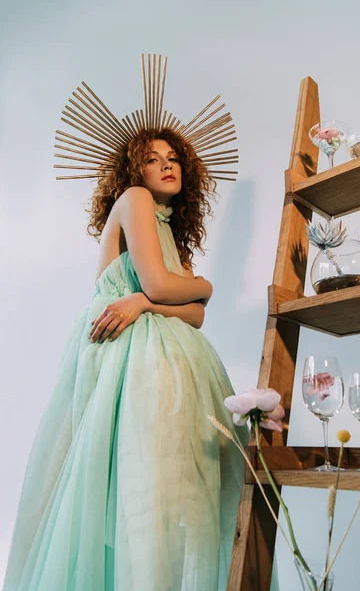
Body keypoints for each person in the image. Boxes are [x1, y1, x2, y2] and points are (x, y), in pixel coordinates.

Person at [3, 125, 250, 590]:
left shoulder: (165, 228)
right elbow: (170, 290)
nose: (166, 164)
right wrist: (205, 286)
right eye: (153, 158)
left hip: (160, 357)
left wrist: (146, 303)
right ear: (134, 170)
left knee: (156, 499)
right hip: (128, 363)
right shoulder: (135, 198)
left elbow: (192, 315)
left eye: (173, 157)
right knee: (136, 493)